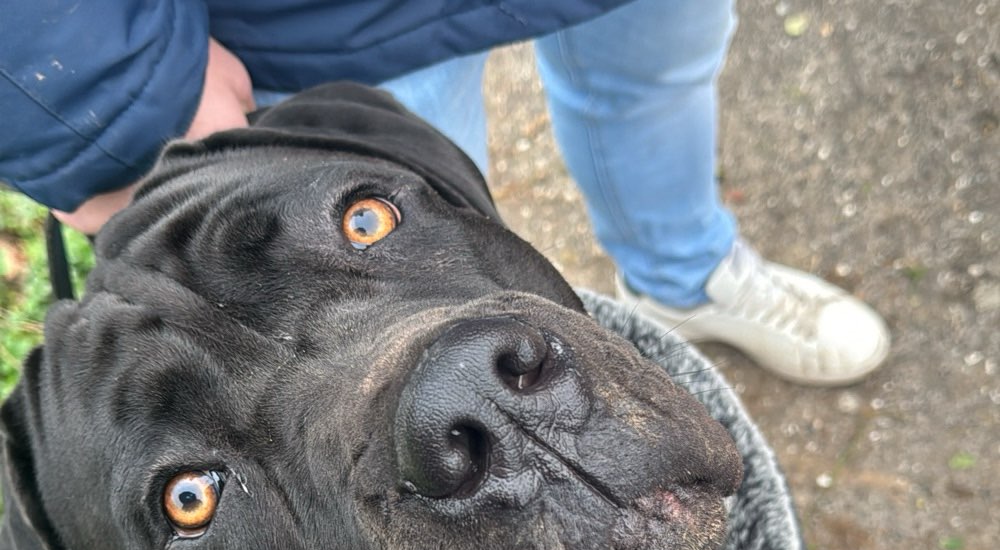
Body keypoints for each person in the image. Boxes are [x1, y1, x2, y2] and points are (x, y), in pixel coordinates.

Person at [0, 0, 888, 386]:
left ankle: (685, 280)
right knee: (412, 327)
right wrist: (98, 86)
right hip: (313, 22)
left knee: (662, 86)